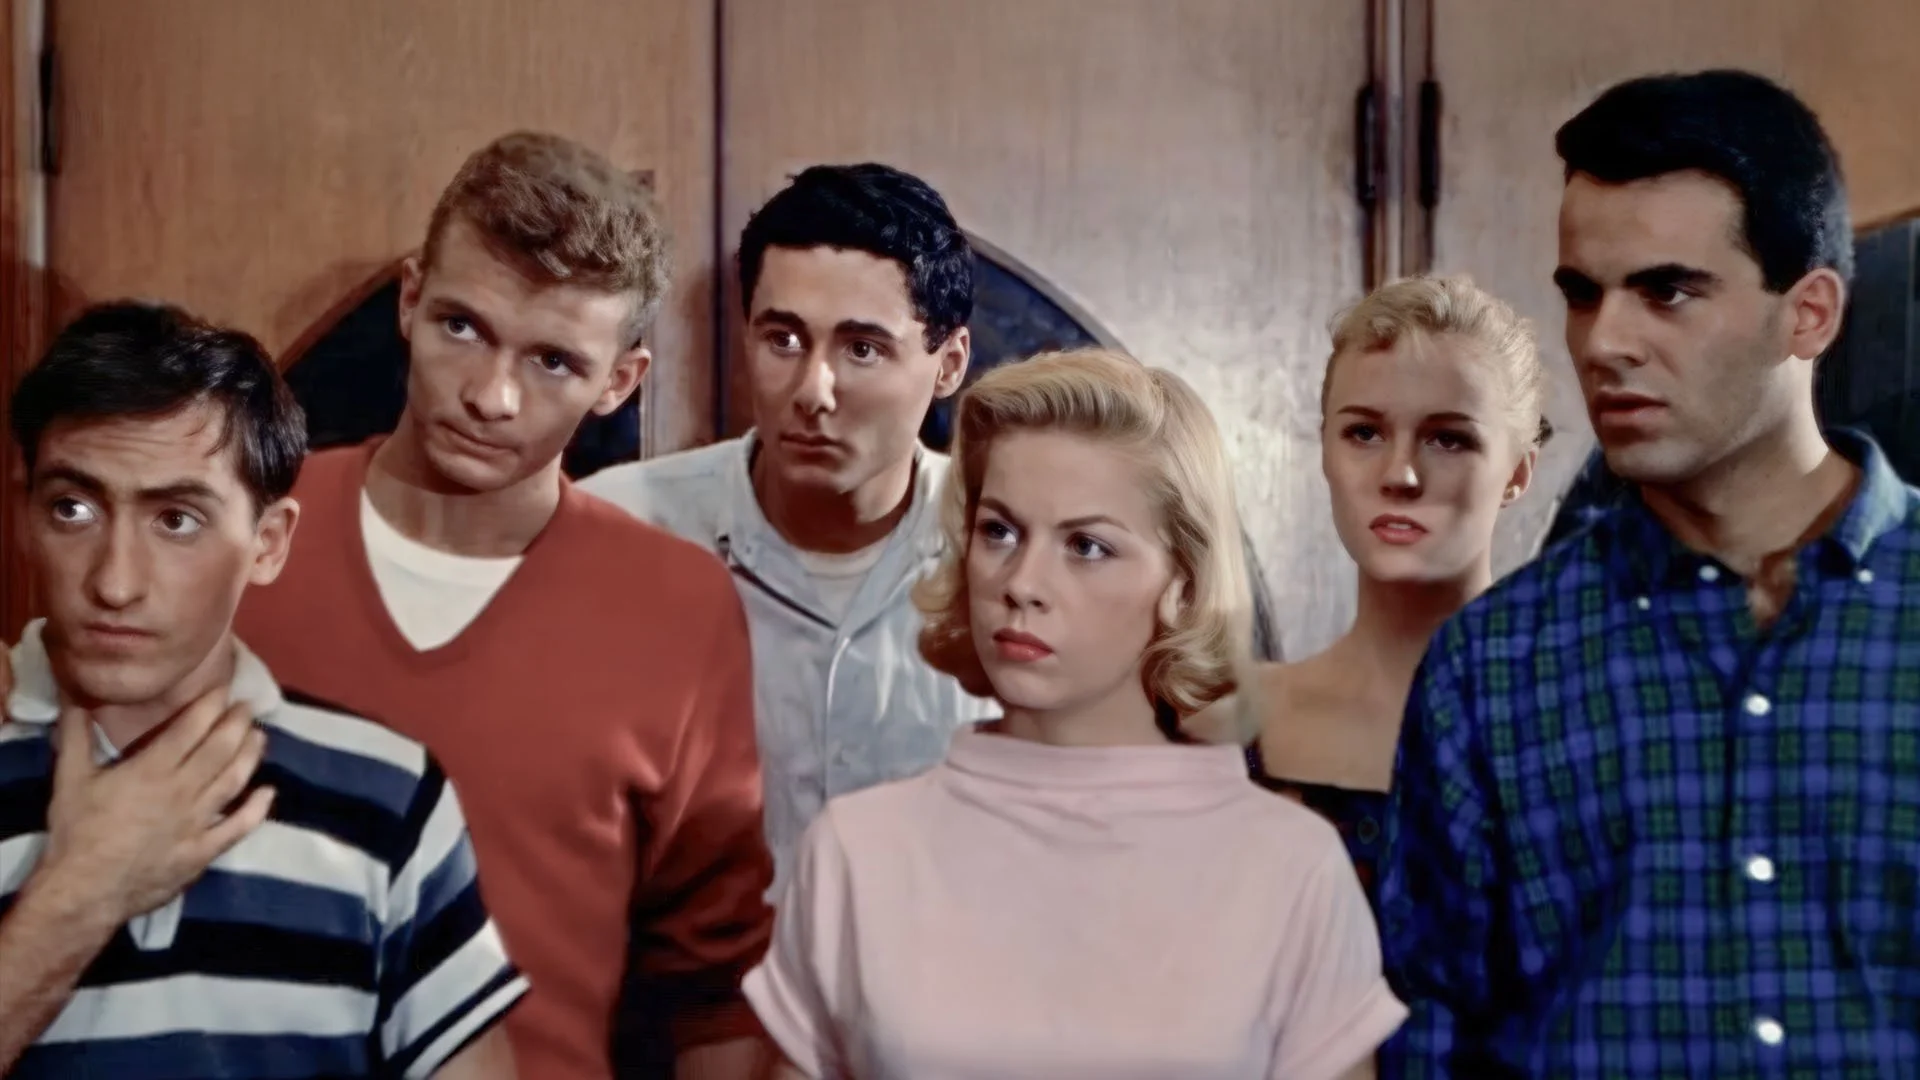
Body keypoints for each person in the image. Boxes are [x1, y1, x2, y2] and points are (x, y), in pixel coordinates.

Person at [1377, 69, 1920, 1078]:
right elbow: (1433, 1039)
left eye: (1667, 291)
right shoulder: (1492, 671)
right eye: (1583, 295)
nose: (1605, 343)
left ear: (1809, 314)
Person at [230, 133, 773, 1079]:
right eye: (462, 327)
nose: (491, 396)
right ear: (410, 301)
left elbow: (714, 990)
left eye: (553, 361)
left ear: (619, 383)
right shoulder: (237, 539)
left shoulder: (677, 609)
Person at [744, 347, 1407, 1080]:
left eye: (1086, 546)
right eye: (1000, 532)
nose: (1022, 583)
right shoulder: (859, 852)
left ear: (1182, 586)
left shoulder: (1290, 869)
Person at [0, 302, 522, 1078]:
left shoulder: (388, 795)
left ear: (268, 544)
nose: (114, 583)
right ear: (23, 518)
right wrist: (76, 900)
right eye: (72, 509)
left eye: (177, 520)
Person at [582, 163, 995, 890]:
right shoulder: (613, 533)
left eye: (862, 349)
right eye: (783, 339)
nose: (813, 391)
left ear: (949, 363)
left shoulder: (1011, 557)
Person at [1195, 274, 1543, 895]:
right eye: (1364, 433)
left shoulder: (1590, 724)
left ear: (1517, 472)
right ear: (1324, 449)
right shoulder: (1223, 731)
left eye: (1448, 438)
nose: (1400, 475)